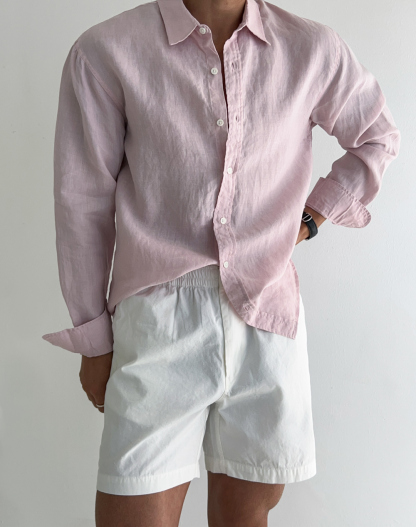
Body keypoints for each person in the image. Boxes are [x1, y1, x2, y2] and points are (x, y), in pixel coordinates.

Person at [41, 0, 401, 525]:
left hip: (268, 319)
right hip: (158, 321)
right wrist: (93, 339)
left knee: (246, 519)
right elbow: (82, 201)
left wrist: (307, 220)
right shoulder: (107, 51)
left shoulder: (311, 48)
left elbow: (377, 137)